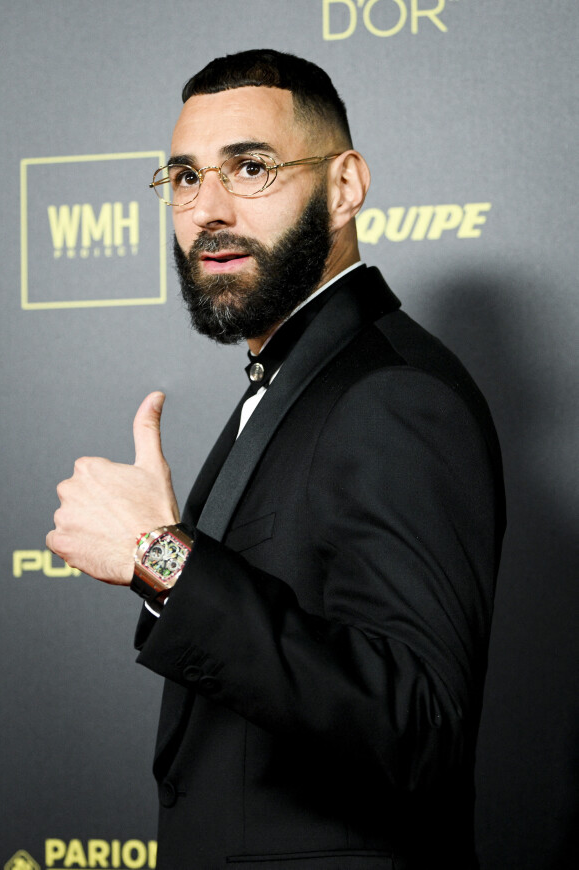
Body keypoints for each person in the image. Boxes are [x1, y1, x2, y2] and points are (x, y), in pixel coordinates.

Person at [47, 49, 505, 870]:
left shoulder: (393, 394)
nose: (207, 209)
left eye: (249, 167)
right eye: (184, 178)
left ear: (343, 187)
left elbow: (421, 724)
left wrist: (160, 557)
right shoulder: (296, 378)